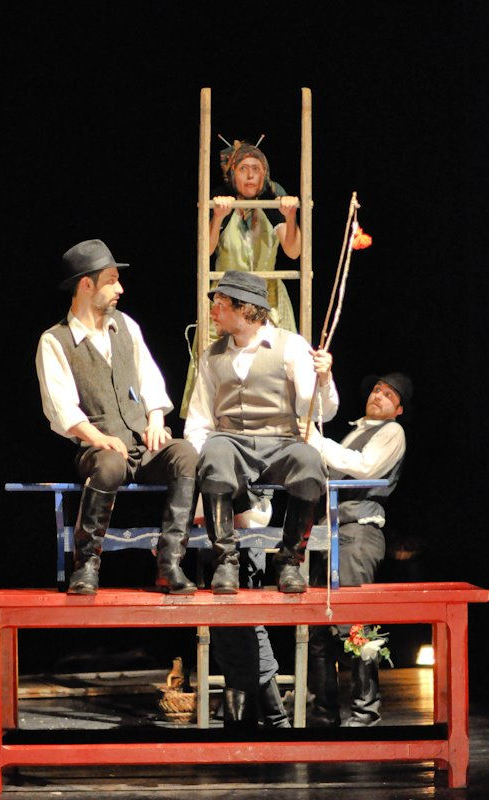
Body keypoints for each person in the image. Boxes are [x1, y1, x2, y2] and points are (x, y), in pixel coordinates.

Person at [184, 269, 338, 729]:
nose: (214, 311)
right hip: (231, 442)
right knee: (212, 454)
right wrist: (198, 471)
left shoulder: (290, 346)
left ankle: (290, 559)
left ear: (245, 309)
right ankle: (226, 558)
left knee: (310, 463)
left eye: (221, 304)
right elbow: (199, 420)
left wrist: (325, 379)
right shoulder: (212, 355)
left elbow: (320, 410)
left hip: (279, 441)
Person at [36, 239, 199, 596]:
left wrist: (155, 420)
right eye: (111, 280)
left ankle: (170, 562)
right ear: (86, 284)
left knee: (185, 453)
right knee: (109, 464)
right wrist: (98, 438)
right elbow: (60, 406)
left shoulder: (125, 326)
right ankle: (86, 565)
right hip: (98, 449)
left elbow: (150, 379)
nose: (120, 288)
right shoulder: (55, 340)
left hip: (142, 445)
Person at [303, 371, 413, 727]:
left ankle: (366, 710)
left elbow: (364, 466)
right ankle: (324, 711)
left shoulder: (391, 432)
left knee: (353, 625)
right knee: (319, 628)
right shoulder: (357, 431)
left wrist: (318, 441)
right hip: (329, 533)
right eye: (377, 390)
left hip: (357, 532)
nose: (378, 396)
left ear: (399, 409)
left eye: (389, 395)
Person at [180, 139, 300, 418]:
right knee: (218, 360)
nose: (249, 175)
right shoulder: (221, 198)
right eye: (243, 168)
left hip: (267, 294)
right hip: (227, 295)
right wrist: (217, 216)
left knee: (274, 359)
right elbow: (205, 251)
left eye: (256, 169)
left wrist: (291, 216)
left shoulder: (272, 201)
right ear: (233, 174)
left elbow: (293, 251)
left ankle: (276, 418)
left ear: (264, 174)